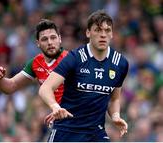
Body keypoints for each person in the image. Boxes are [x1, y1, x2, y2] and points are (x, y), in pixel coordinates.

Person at [39, 10, 129, 142]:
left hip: (95, 133)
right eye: (97, 30)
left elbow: (114, 99)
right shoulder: (75, 58)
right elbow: (45, 88)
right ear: (88, 33)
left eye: (107, 30)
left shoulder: (120, 63)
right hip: (66, 131)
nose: (103, 35)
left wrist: (115, 116)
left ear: (112, 34)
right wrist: (55, 107)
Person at [0, 19, 68, 104]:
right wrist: (0, 79)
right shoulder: (36, 63)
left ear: (60, 39)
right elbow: (11, 86)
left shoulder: (71, 59)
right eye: (44, 39)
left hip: (77, 114)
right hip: (57, 114)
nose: (49, 42)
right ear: (38, 43)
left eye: (53, 38)